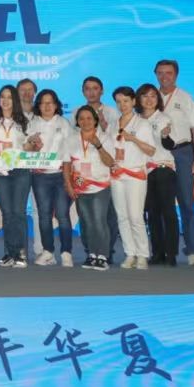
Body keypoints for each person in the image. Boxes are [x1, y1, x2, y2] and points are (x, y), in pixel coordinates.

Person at [153, 60, 194, 264]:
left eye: (169, 72)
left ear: (176, 75)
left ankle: (192, 250)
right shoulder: (150, 97)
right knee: (159, 204)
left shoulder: (185, 97)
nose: (164, 76)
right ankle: (163, 251)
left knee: (186, 202)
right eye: (160, 72)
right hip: (158, 154)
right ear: (155, 74)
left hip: (182, 153)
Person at [108, 85, 156, 268]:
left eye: (126, 101)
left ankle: (143, 254)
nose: (122, 105)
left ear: (134, 101)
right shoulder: (113, 125)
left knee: (135, 216)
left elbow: (151, 150)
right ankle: (130, 253)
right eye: (119, 102)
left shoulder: (142, 124)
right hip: (117, 175)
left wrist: (133, 139)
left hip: (135, 174)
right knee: (122, 216)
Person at [26, 89, 72, 266]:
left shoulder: (63, 123)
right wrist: (32, 146)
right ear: (38, 105)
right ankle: (48, 251)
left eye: (50, 102)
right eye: (43, 103)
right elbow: (25, 150)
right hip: (40, 176)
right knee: (44, 214)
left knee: (62, 214)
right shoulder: (32, 123)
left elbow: (69, 150)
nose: (46, 106)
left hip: (60, 175)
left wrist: (67, 175)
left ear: (56, 105)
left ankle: (66, 252)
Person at [66, 105, 115, 270]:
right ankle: (92, 254)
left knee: (99, 221)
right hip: (80, 185)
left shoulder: (105, 137)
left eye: (89, 118)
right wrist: (69, 186)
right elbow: (66, 164)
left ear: (95, 120)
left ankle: (103, 256)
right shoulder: (72, 139)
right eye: (81, 119)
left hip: (100, 185)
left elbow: (110, 162)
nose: (85, 121)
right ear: (77, 122)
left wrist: (99, 146)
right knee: (86, 222)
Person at [0, 86, 32, 268]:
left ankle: (21, 252)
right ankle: (9, 252)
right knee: (6, 213)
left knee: (19, 212)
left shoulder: (25, 122)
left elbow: (29, 146)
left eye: (9, 97)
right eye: (2, 97)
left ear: (15, 100)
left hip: (20, 171)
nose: (5, 100)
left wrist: (32, 145)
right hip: (0, 173)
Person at [137, 83, 179, 266]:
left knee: (168, 212)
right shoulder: (135, 120)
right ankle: (158, 253)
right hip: (144, 172)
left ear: (158, 99)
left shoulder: (163, 118)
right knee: (152, 213)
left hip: (163, 169)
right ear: (138, 99)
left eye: (153, 96)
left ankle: (171, 253)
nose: (149, 100)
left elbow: (170, 144)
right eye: (145, 96)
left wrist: (165, 136)